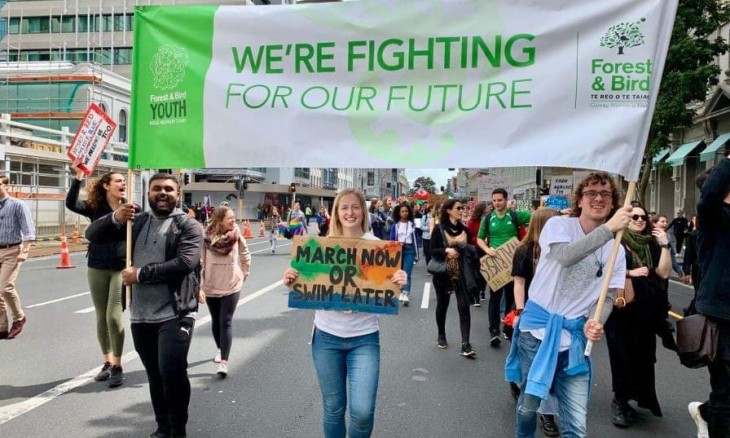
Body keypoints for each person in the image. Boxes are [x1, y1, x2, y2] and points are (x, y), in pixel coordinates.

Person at [504, 171, 632, 437]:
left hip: (574, 339)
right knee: (529, 406)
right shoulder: (558, 226)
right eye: (591, 193)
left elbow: (608, 294)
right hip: (536, 333)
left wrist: (597, 320)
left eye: (606, 194)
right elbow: (565, 256)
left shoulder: (617, 249)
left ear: (613, 202)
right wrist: (609, 229)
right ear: (580, 200)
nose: (598, 198)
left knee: (576, 426)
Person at [282, 188, 407, 438]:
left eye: (355, 207)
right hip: (326, 338)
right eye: (344, 207)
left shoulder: (378, 248)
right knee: (333, 409)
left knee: (362, 412)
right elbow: (307, 283)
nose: (350, 212)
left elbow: (384, 288)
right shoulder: (322, 246)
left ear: (363, 211)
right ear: (337, 213)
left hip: (365, 339)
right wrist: (291, 279)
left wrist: (399, 279)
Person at [85, 173, 203, 438]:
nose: (163, 193)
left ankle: (178, 429)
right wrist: (115, 217)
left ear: (178, 194)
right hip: (141, 314)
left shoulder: (188, 226)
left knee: (171, 370)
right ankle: (162, 426)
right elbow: (91, 234)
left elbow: (185, 263)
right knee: (154, 375)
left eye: (169, 189)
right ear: (148, 193)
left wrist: (139, 275)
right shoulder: (135, 223)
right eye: (157, 189)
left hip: (176, 312)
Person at [604, 204, 672, 428]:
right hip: (621, 311)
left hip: (646, 313)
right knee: (622, 356)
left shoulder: (651, 243)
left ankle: (637, 397)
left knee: (644, 358)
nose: (640, 220)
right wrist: (629, 272)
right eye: (634, 217)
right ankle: (620, 401)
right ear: (626, 218)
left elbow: (662, 273)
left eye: (643, 217)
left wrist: (665, 246)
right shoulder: (615, 242)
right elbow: (601, 271)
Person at [65, 163, 127, 387]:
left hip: (121, 267)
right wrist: (78, 177)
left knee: (114, 316)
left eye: (124, 181)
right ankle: (108, 361)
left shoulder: (130, 208)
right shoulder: (94, 207)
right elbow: (71, 204)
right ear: (106, 185)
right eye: (118, 181)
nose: (123, 184)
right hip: (97, 266)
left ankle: (118, 364)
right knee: (101, 316)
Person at [688, 153, 730, 438]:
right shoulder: (714, 216)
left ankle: (705, 411)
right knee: (726, 392)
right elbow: (709, 196)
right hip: (722, 315)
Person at [509, 207, 561, 436]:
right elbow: (518, 283)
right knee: (534, 370)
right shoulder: (524, 251)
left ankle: (547, 413)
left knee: (551, 369)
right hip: (531, 314)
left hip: (557, 317)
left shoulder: (561, 251)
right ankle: (538, 410)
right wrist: (520, 311)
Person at [199, 206, 251, 377]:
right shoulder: (206, 238)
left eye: (233, 217)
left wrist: (244, 272)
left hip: (231, 285)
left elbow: (245, 254)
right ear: (219, 219)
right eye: (229, 218)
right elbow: (200, 262)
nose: (233, 220)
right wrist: (199, 285)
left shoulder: (236, 235)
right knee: (216, 320)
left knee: (226, 321)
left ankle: (224, 362)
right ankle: (220, 349)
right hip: (211, 285)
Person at [477, 188, 532, 346]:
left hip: (513, 262)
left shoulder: (515, 215)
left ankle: (508, 327)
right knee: (494, 298)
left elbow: (538, 217)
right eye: (494, 201)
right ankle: (494, 331)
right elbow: (480, 239)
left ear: (506, 200)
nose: (496, 203)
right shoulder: (488, 219)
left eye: (499, 200)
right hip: (496, 264)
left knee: (511, 297)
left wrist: (560, 212)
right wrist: (487, 249)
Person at [430, 199, 481, 358]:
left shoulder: (465, 229)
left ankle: (465, 343)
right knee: (442, 304)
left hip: (462, 272)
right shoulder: (439, 229)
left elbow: (474, 249)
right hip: (444, 272)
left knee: (464, 306)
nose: (462, 210)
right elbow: (432, 251)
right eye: (458, 208)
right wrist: (447, 250)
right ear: (449, 210)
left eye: (463, 208)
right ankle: (441, 335)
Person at [0, 176, 35, 340]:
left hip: (12, 250)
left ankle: (19, 317)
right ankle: (1, 327)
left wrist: (25, 250)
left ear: (6, 186)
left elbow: (28, 229)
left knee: (5, 287)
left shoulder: (17, 205)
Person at [389, 203, 419, 306]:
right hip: (398, 250)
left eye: (406, 211)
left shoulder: (412, 224)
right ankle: (400, 292)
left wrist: (416, 253)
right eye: (402, 211)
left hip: (409, 250)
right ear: (399, 213)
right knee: (398, 273)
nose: (404, 213)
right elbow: (392, 239)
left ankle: (406, 294)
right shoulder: (395, 225)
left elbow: (416, 239)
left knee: (407, 273)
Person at [467, 202, 489, 305]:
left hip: (486, 249)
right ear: (482, 210)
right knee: (476, 272)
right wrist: (479, 240)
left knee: (484, 271)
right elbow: (469, 237)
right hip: (475, 249)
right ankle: (476, 296)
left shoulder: (489, 220)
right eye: (486, 209)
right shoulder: (472, 222)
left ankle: (482, 291)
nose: (488, 210)